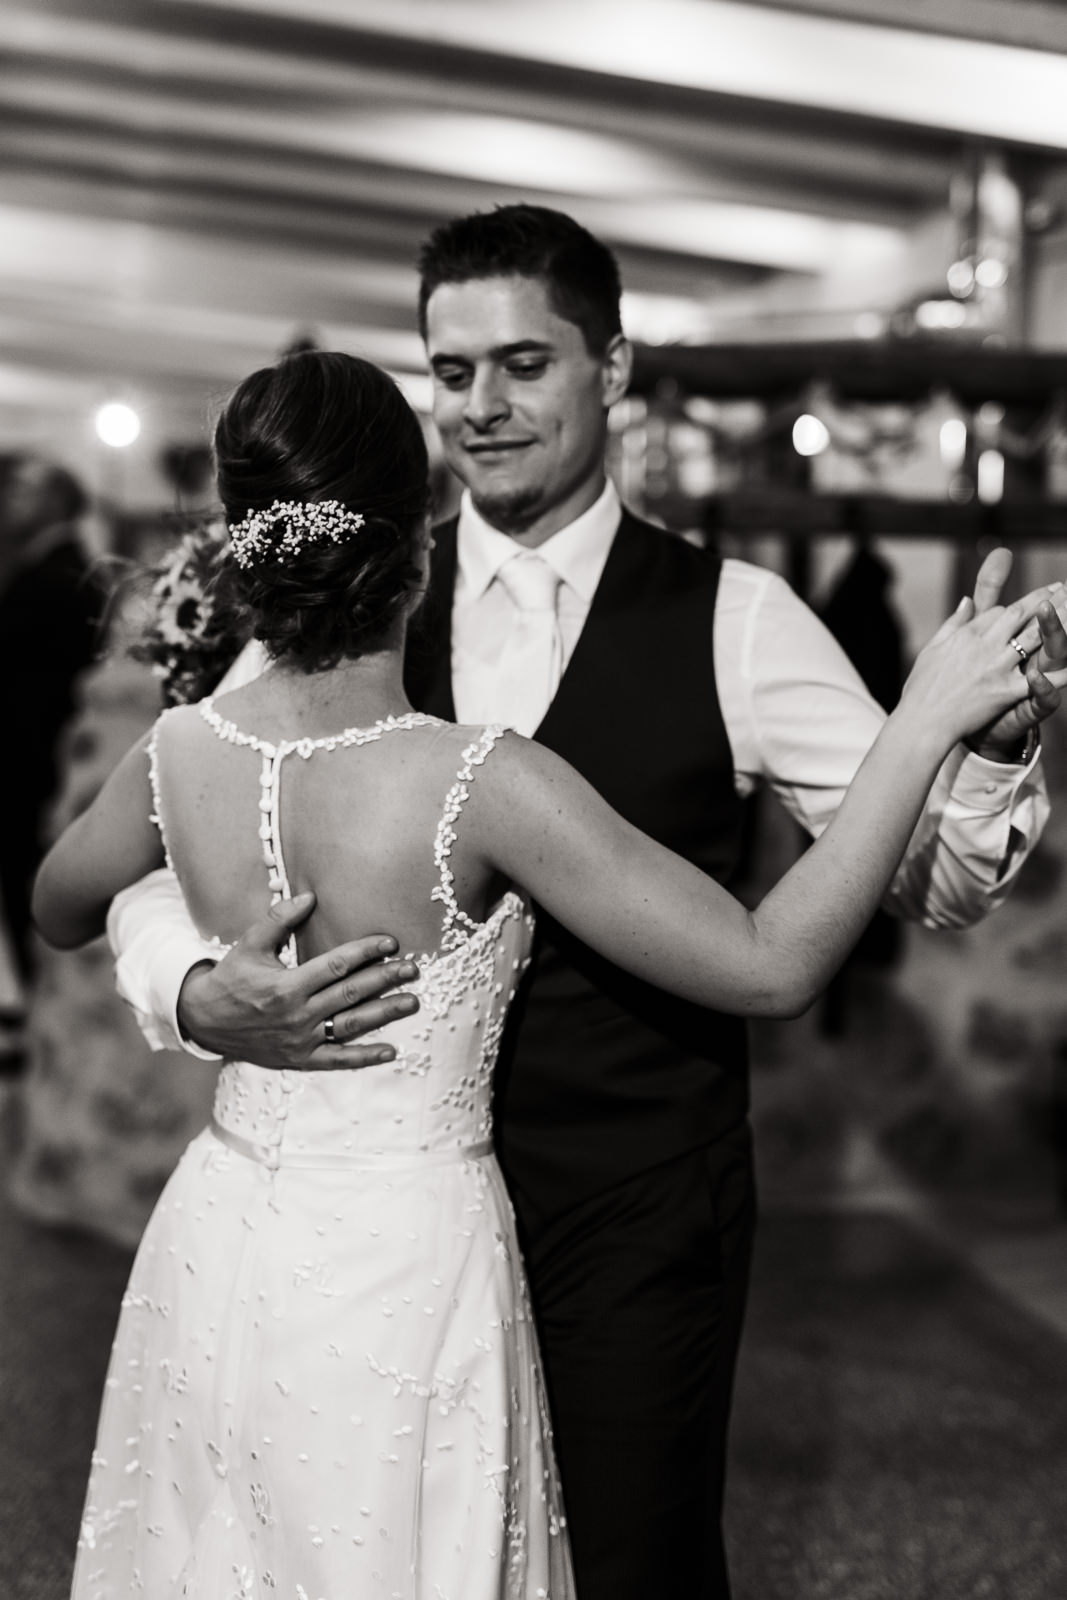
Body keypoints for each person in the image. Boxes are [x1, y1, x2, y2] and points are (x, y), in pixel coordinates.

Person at [105, 208, 1067, 1600]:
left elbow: (934, 876)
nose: (480, 408)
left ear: (610, 370)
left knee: (628, 1566)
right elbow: (173, 842)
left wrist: (971, 744)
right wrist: (197, 994)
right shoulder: (345, 594)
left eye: (523, 364)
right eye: (451, 373)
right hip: (391, 1239)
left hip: (632, 1212)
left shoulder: (737, 617)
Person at [0, 452, 103, 989]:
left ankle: (41, 1001)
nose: (5, 500)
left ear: (55, 501)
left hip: (37, 763)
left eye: (17, 490)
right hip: (40, 758)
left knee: (30, 888)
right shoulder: (54, 569)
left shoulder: (56, 577)